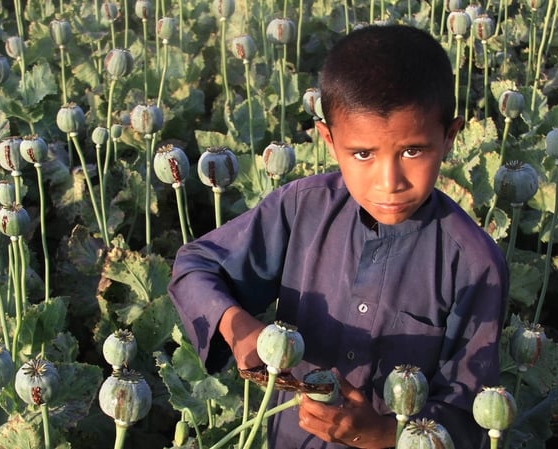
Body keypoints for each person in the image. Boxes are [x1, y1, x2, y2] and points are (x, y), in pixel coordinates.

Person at [168, 24, 507, 449]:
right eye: (363, 154)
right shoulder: (301, 209)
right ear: (329, 139)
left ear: (449, 138)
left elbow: (471, 413)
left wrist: (385, 432)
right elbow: (195, 266)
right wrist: (239, 329)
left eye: (413, 151)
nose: (389, 182)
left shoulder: (475, 264)